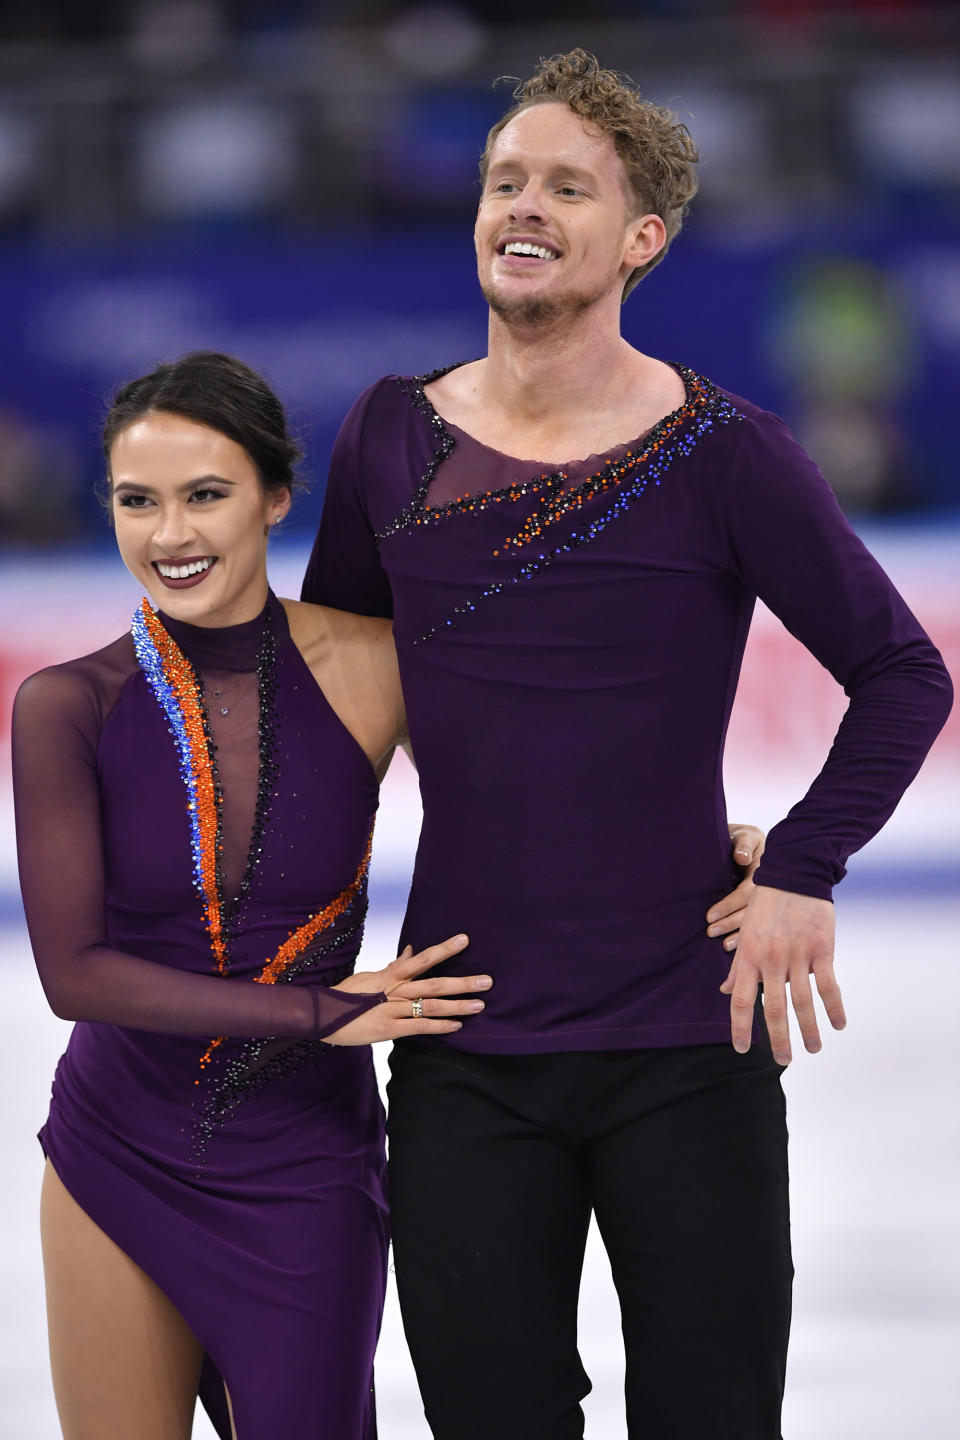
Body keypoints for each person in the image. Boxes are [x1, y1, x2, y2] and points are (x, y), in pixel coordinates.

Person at [301, 49, 954, 1440]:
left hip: (688, 1043)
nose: (522, 206)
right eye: (503, 180)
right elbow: (339, 710)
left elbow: (903, 672)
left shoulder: (726, 452)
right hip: (466, 1046)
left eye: (566, 187)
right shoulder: (387, 440)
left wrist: (803, 866)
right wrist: (292, 961)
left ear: (640, 238)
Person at [11, 351, 497, 1440]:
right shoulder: (66, 705)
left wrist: (722, 847)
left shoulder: (378, 666)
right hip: (114, 1149)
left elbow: (533, 797)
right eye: (138, 501)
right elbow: (71, 975)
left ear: (277, 497)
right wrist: (329, 1012)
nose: (169, 534)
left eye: (205, 495)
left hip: (304, 1169)